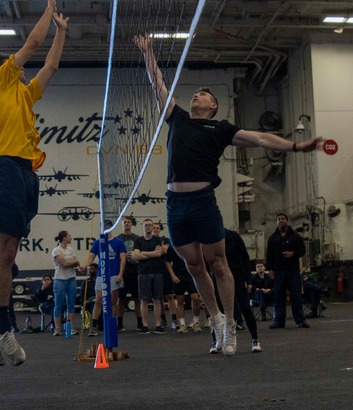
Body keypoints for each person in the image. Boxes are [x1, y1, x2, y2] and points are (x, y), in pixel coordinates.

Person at [134, 35, 322, 355]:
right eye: (196, 92)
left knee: (218, 263)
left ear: (213, 106)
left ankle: (231, 323)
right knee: (195, 267)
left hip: (203, 201)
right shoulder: (176, 116)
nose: (198, 94)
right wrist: (148, 53)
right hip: (175, 204)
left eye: (204, 94)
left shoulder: (220, 128)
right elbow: (157, 84)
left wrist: (293, 146)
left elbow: (261, 138)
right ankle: (216, 318)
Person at [0, 0, 68, 367]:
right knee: (5, 250)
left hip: (25, 172)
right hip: (4, 167)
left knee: (6, 253)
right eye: (16, 65)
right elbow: (31, 41)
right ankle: (1, 325)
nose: (23, 67)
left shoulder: (23, 95)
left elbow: (51, 67)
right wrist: (48, 11)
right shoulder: (0, 82)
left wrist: (61, 31)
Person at [265, 213, 310, 329]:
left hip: (292, 271)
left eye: (283, 219)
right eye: (279, 219)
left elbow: (303, 250)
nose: (281, 221)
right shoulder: (272, 238)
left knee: (296, 296)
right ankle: (279, 321)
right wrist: (269, 269)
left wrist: (293, 254)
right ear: (276, 222)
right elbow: (269, 255)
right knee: (279, 296)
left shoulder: (295, 236)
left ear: (287, 221)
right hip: (278, 271)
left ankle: (300, 321)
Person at [81, 221, 127, 331]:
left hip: (114, 274)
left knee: (113, 300)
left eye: (107, 226)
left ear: (111, 228)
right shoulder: (97, 243)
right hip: (101, 275)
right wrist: (84, 266)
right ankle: (94, 325)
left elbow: (123, 259)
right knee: (98, 299)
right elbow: (91, 258)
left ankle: (112, 323)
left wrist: (120, 274)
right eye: (103, 226)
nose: (105, 228)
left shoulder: (118, 242)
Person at [222, 228, 261, 353]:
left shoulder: (233, 237)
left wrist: (248, 279)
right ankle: (216, 342)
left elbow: (245, 257)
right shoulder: (209, 238)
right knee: (218, 312)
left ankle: (255, 339)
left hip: (237, 276)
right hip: (219, 278)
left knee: (245, 307)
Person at [130, 218, 167, 334]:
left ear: (152, 227)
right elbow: (136, 256)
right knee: (144, 300)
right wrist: (152, 254)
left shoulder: (158, 239)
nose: (148, 227)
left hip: (157, 272)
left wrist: (143, 253)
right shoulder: (138, 241)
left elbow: (159, 253)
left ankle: (158, 325)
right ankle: (144, 325)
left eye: (150, 225)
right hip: (143, 273)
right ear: (143, 227)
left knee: (157, 299)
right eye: (146, 225)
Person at [116, 215, 144, 332]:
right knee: (121, 299)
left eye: (128, 222)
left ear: (131, 224)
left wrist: (134, 257)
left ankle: (139, 323)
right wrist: (123, 256)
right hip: (122, 273)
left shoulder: (137, 239)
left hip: (135, 272)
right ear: (122, 224)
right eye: (125, 222)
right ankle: (120, 324)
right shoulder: (118, 239)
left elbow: (141, 254)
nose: (127, 224)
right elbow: (115, 256)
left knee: (137, 299)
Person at [51, 230, 80, 336]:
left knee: (71, 304)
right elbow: (63, 264)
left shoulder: (71, 250)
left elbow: (77, 263)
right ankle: (57, 328)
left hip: (71, 278)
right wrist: (73, 262)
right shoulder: (56, 250)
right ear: (64, 238)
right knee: (58, 304)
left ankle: (70, 326)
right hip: (60, 279)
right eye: (69, 236)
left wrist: (73, 262)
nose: (71, 238)